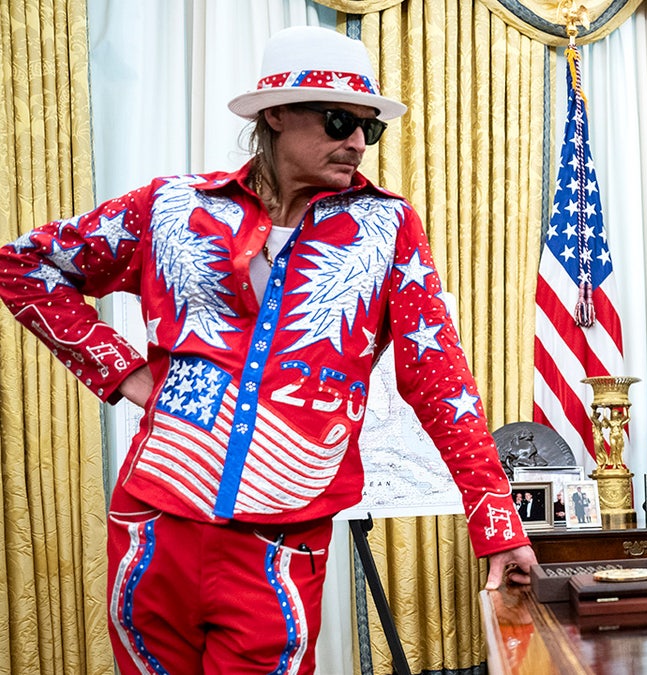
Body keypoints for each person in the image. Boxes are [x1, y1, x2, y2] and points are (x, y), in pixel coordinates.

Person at [0, 26, 536, 674]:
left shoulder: (386, 228)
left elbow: (440, 377)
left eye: (371, 128)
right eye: (340, 120)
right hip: (153, 531)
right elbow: (24, 266)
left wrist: (497, 525)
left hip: (277, 549)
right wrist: (126, 373)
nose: (359, 143)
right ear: (276, 113)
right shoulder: (172, 206)